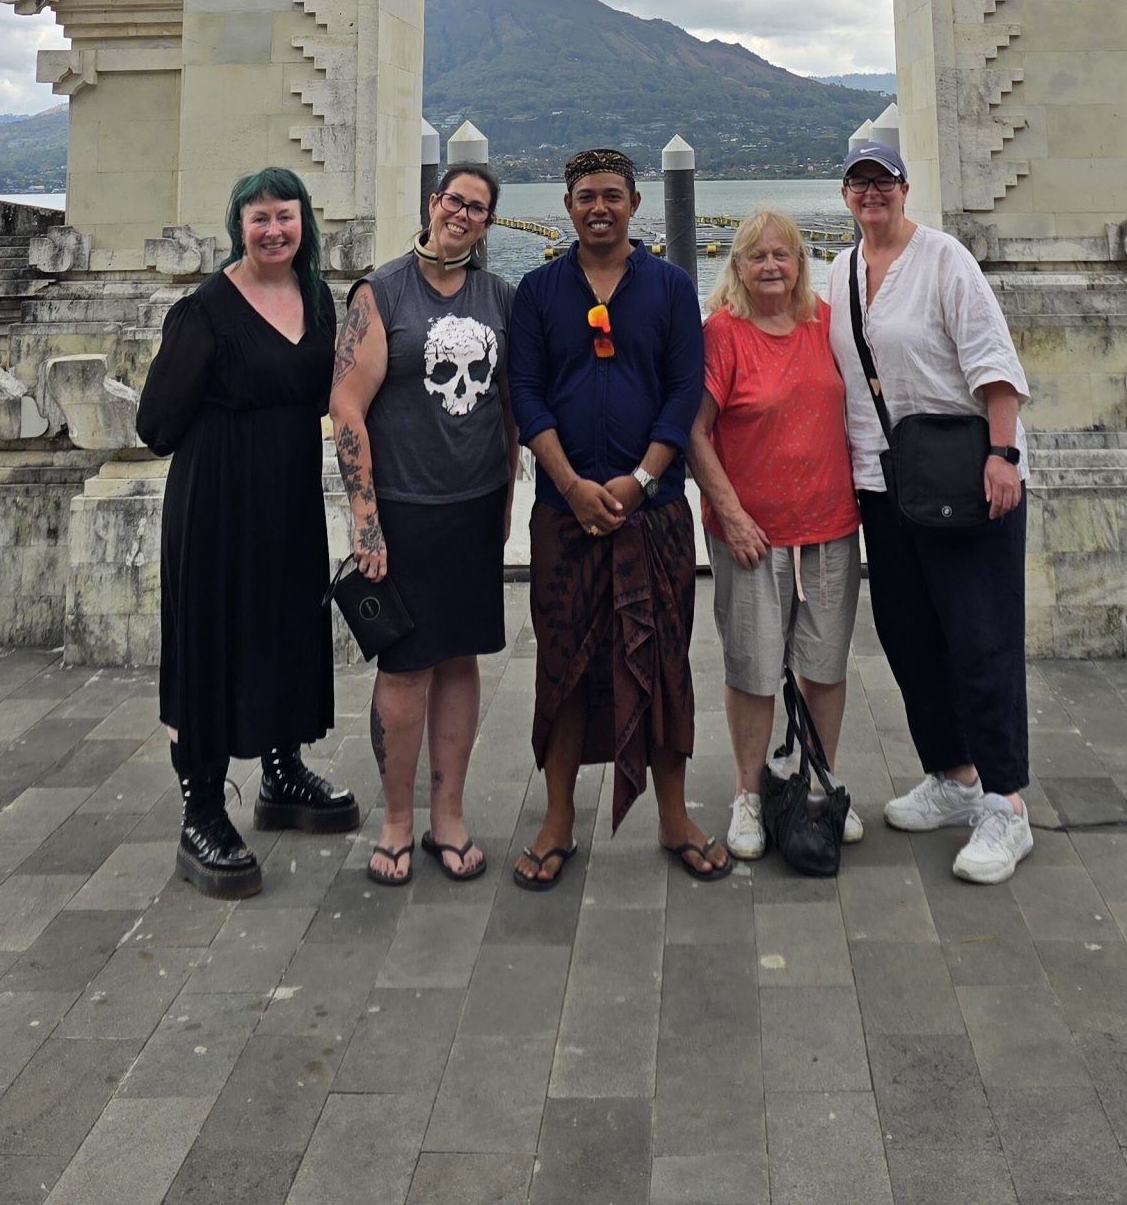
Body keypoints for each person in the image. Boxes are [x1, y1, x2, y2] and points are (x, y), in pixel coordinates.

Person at [505, 146, 726, 886]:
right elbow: (526, 392)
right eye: (585, 197)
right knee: (563, 667)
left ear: (635, 203)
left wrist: (641, 479)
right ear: (567, 207)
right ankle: (558, 818)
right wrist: (569, 484)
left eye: (611, 195)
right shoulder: (538, 292)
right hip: (562, 513)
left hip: (653, 512)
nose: (598, 208)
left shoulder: (670, 287)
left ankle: (673, 814)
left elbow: (683, 390)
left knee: (662, 663)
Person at [138, 166, 358, 897]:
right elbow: (156, 423)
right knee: (212, 641)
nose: (273, 230)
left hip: (290, 499)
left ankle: (281, 772)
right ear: (238, 226)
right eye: (258, 218)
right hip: (216, 504)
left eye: (284, 216)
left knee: (287, 628)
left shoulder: (317, 298)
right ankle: (201, 810)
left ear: (304, 224)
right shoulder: (204, 311)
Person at [825, 140, 1034, 884]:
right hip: (883, 485)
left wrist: (1002, 455)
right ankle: (954, 775)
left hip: (968, 478)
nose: (871, 194)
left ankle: (1006, 804)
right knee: (909, 637)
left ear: (904, 188)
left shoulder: (945, 260)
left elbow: (994, 362)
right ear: (845, 196)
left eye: (882, 182)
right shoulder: (840, 271)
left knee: (981, 639)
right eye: (859, 183)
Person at [329, 162, 517, 886]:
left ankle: (450, 814)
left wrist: (507, 501)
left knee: (462, 660)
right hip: (405, 508)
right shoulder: (381, 294)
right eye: (454, 201)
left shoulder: (498, 298)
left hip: (474, 506)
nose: (462, 215)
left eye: (478, 208)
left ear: (488, 223)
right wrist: (365, 520)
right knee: (405, 668)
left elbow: (507, 407)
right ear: (433, 204)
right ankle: (397, 820)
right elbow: (347, 406)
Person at [687, 208, 864, 861]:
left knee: (824, 665)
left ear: (800, 263)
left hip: (829, 528)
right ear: (736, 266)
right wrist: (732, 515)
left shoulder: (826, 324)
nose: (770, 265)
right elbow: (694, 432)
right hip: (752, 537)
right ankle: (749, 792)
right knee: (754, 668)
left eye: (782, 254)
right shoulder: (721, 333)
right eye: (757, 255)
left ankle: (816, 779)